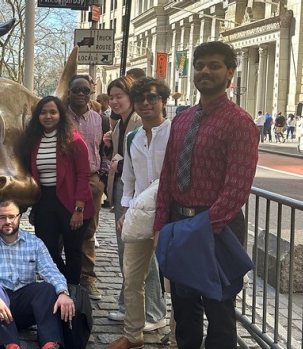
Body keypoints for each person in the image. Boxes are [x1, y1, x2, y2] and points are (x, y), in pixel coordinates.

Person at [153, 41, 258, 349]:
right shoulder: (182, 120)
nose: (205, 71)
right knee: (184, 309)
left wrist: (200, 229)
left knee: (219, 310)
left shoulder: (239, 122)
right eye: (199, 66)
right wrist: (161, 226)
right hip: (179, 223)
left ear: (230, 73)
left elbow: (237, 187)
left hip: (218, 229)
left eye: (214, 65)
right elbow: (167, 178)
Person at [106, 77, 170, 349]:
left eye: (152, 98)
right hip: (141, 213)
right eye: (141, 98)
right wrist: (125, 210)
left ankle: (178, 337)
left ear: (163, 101)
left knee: (174, 281)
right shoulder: (133, 137)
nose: (146, 103)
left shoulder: (175, 132)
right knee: (132, 276)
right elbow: (129, 179)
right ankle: (133, 334)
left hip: (171, 215)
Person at [0, 200, 75, 349]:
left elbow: (50, 270)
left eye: (12, 216)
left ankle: (50, 344)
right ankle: (9, 345)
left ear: (19, 217)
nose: (7, 221)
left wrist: (63, 292)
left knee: (46, 289)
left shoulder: (34, 243)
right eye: (2, 217)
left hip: (23, 307)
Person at [19, 95, 93, 286]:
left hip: (71, 201)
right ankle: (61, 285)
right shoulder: (33, 141)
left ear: (60, 114)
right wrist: (34, 207)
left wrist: (79, 209)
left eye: (53, 112)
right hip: (45, 200)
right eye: (43, 112)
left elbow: (83, 174)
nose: (48, 116)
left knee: (73, 251)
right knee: (47, 250)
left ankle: (73, 292)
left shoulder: (74, 141)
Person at [103, 76, 142, 321]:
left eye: (119, 96)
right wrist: (109, 148)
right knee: (125, 250)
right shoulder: (120, 124)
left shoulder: (137, 122)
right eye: (112, 97)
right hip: (123, 189)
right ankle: (128, 305)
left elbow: (139, 160)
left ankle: (144, 309)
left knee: (135, 252)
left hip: (134, 191)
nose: (115, 101)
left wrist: (118, 160)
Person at [64, 76, 106, 298]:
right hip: (65, 180)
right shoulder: (60, 118)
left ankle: (87, 278)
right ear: (69, 92)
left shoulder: (100, 119)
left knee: (88, 230)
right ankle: (61, 275)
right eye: (76, 90)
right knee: (63, 227)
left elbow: (104, 148)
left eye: (85, 90)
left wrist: (102, 178)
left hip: (91, 179)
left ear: (91, 92)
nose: (81, 94)